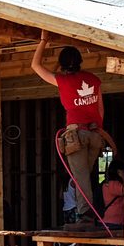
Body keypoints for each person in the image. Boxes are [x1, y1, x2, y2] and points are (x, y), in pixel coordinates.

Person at [32, 31, 104, 230]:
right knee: (85, 178)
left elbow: (35, 66)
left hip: (76, 136)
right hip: (95, 135)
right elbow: (100, 109)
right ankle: (88, 215)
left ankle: (86, 219)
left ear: (62, 64)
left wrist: (44, 41)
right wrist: (97, 131)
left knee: (80, 179)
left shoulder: (63, 81)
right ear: (80, 61)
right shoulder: (94, 79)